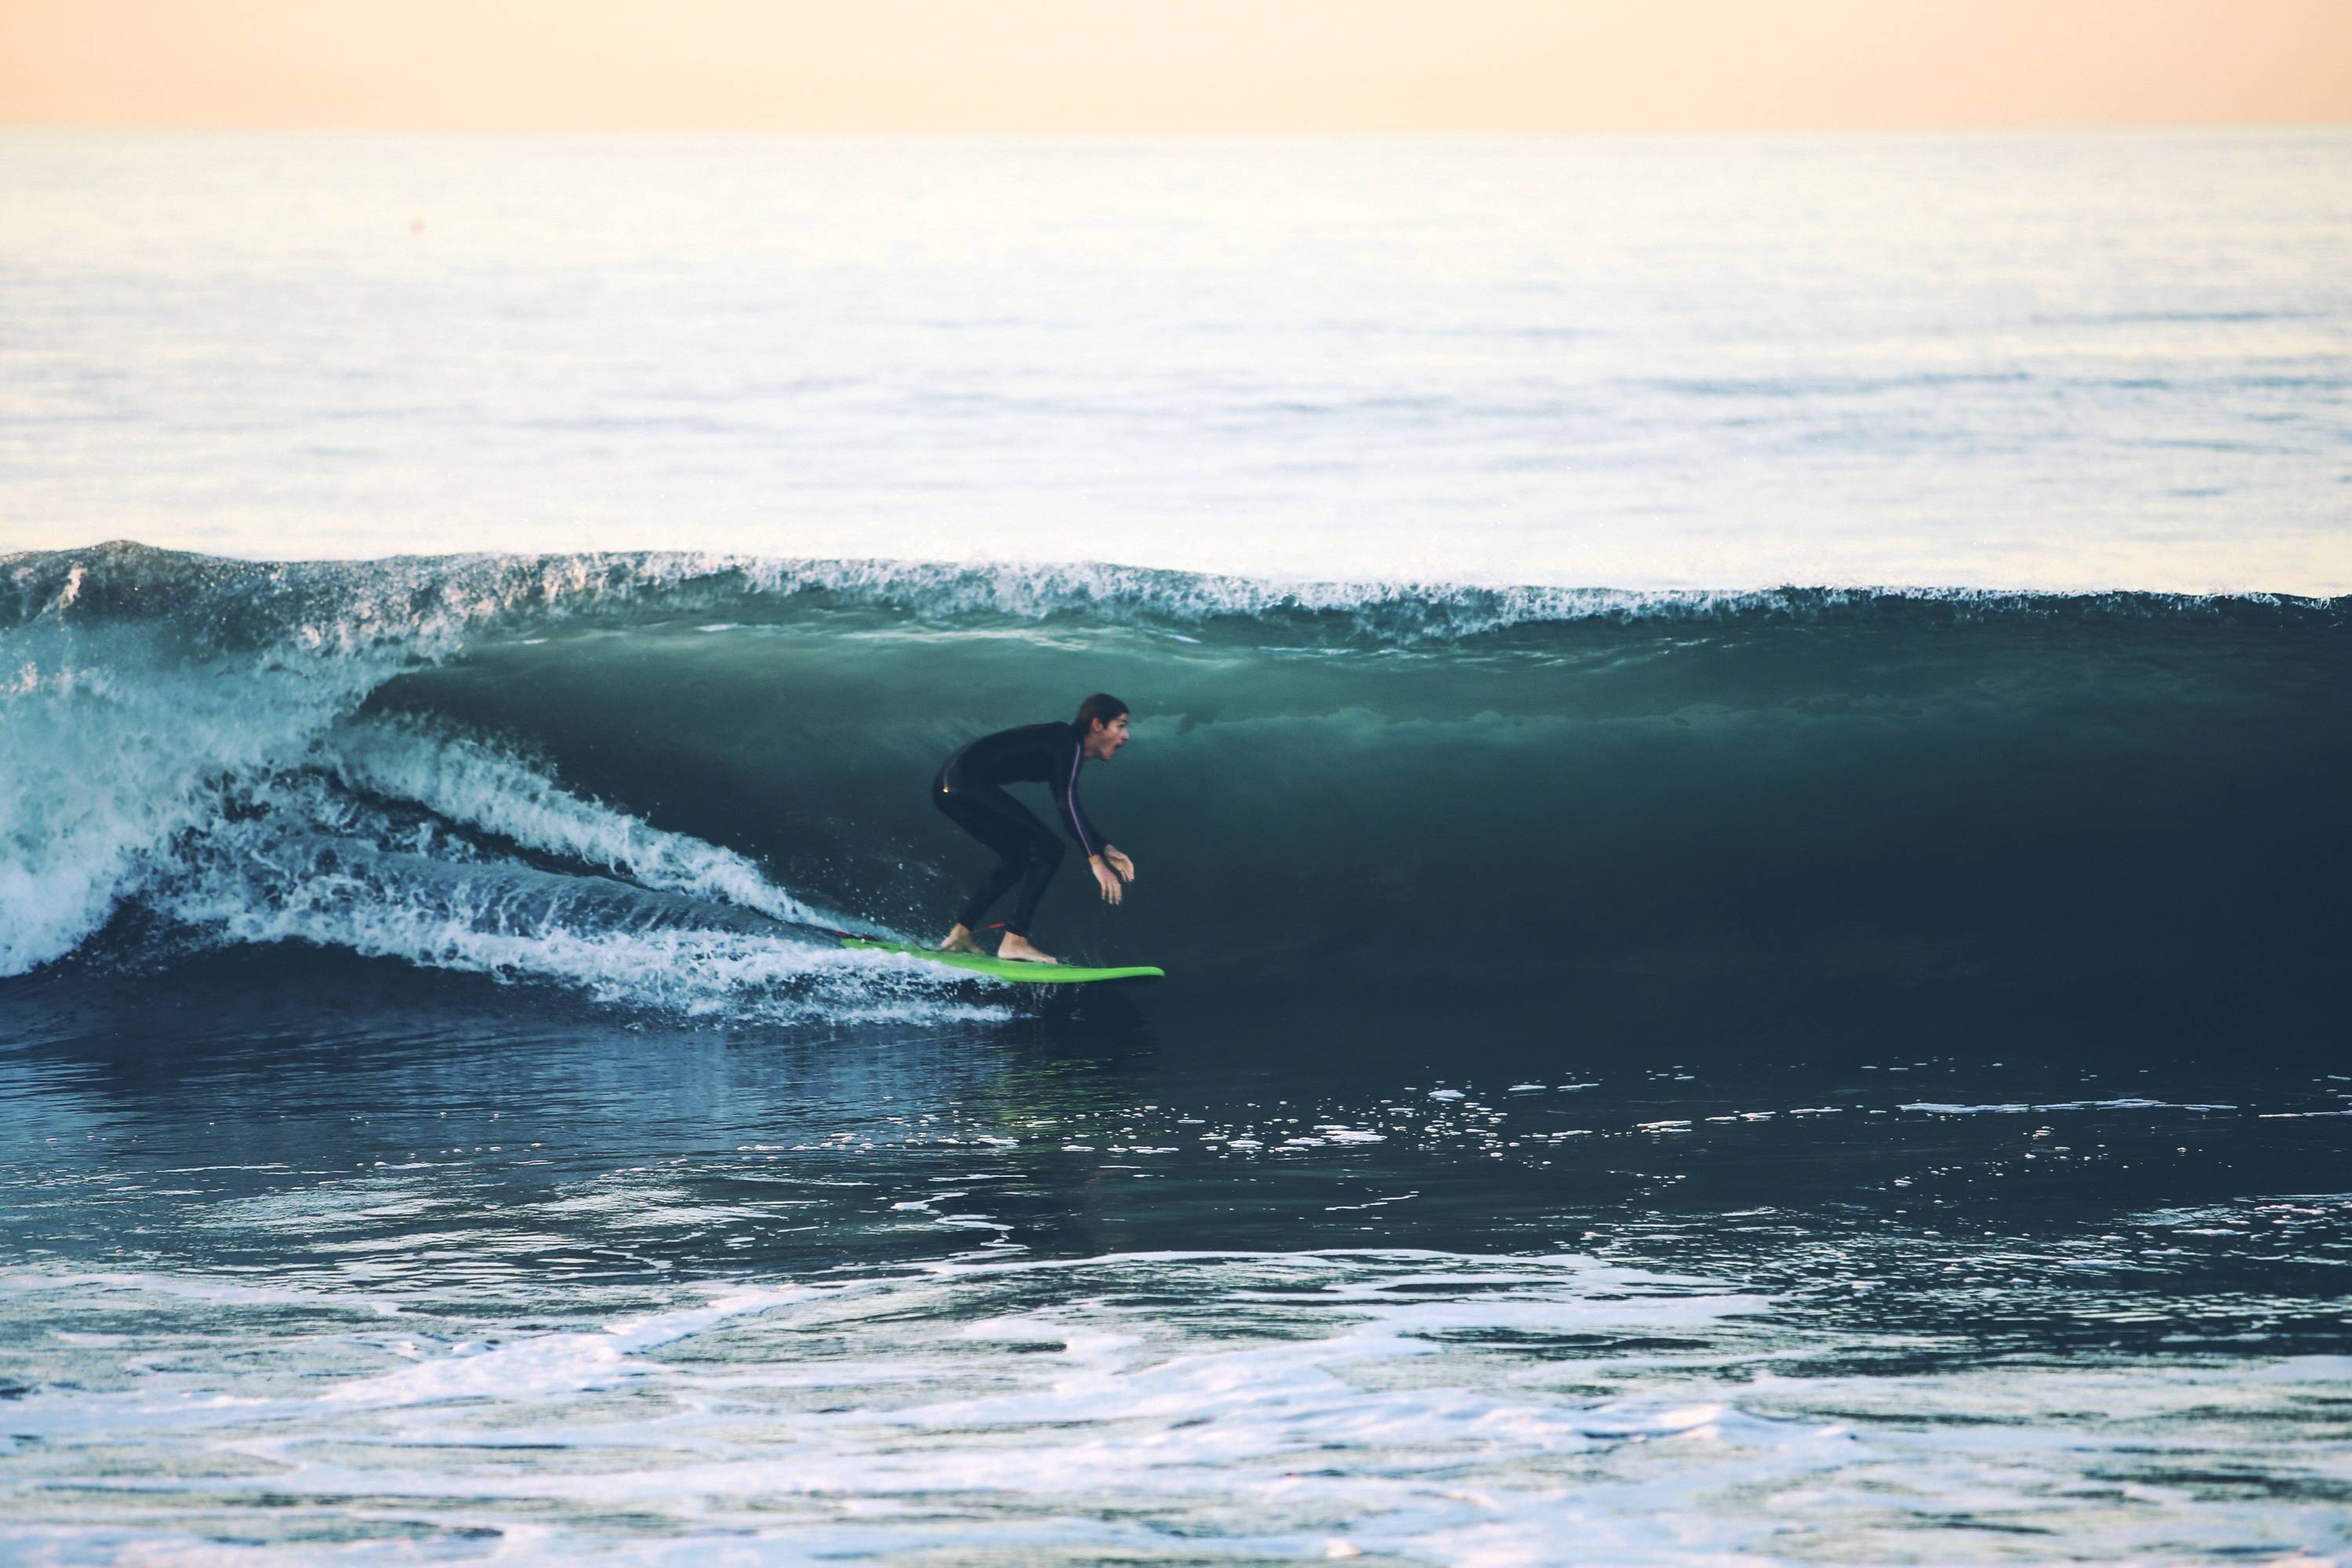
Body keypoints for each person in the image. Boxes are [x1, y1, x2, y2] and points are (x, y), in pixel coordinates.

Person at [932, 693, 1137, 964]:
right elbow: (1067, 804)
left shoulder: (1062, 746)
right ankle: (1015, 940)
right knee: (1049, 850)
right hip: (964, 782)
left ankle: (960, 933)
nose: (1127, 736)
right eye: (1120, 725)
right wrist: (1096, 861)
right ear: (1097, 725)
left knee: (1019, 857)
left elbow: (1068, 807)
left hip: (949, 786)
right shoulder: (1069, 744)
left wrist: (1104, 847)